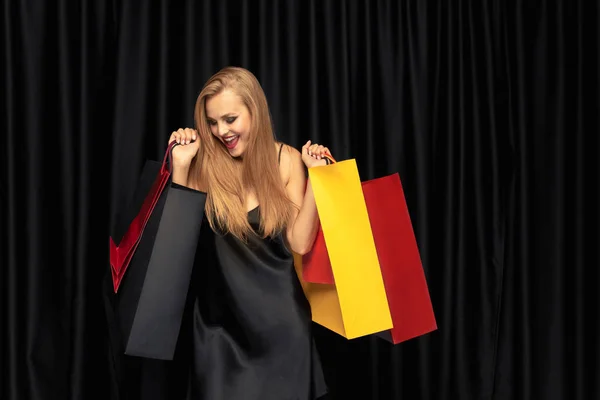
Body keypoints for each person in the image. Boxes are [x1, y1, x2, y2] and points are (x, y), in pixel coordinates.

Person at [167, 66, 330, 399]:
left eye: (229, 119)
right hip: (219, 333)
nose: (220, 131)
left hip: (282, 332)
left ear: (254, 111)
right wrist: (180, 167)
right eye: (212, 122)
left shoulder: (286, 159)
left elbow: (300, 242)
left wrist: (317, 180)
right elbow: (174, 248)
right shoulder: (203, 165)